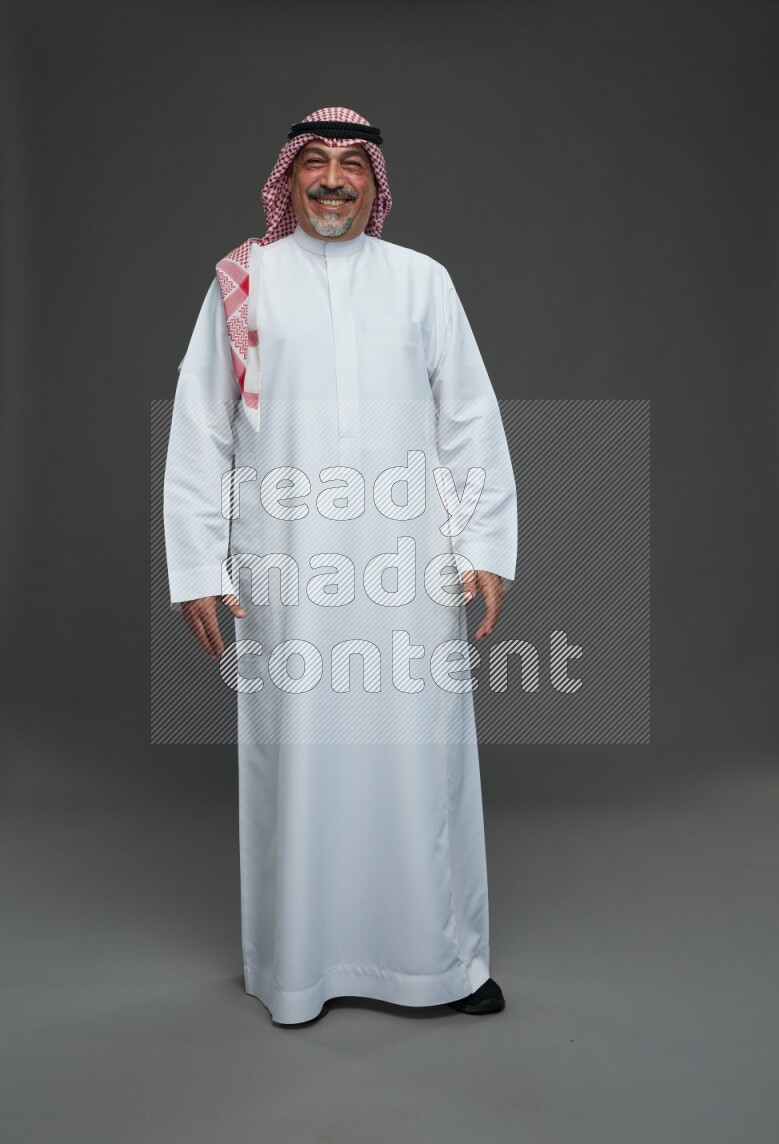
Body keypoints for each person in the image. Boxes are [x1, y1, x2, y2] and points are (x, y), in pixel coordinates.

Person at [163, 106, 518, 1025]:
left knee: (421, 759)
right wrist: (199, 565)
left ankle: (442, 965)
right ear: (288, 179)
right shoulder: (245, 284)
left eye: (351, 164)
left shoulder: (422, 283)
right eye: (314, 161)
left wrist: (482, 545)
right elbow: (201, 432)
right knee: (302, 759)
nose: (332, 178)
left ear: (376, 183)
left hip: (409, 571)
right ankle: (300, 971)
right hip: (289, 574)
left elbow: (469, 420)